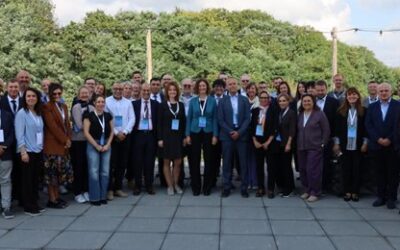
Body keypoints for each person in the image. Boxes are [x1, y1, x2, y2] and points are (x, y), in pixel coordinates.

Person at [365, 83, 400, 209]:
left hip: (393, 145)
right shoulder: (372, 107)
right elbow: (368, 124)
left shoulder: (398, 105)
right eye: (381, 91)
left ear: (391, 92)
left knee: (393, 173)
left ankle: (391, 198)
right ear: (378, 92)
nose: (384, 93)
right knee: (379, 173)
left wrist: (389, 139)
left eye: (386, 90)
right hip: (377, 145)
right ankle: (381, 197)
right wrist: (378, 139)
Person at [218, 77, 251, 198]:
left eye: (234, 84)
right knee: (227, 163)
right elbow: (220, 119)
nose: (232, 86)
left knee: (243, 162)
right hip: (227, 136)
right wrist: (231, 131)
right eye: (229, 84)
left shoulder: (244, 100)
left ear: (237, 85)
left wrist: (240, 132)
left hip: (241, 136)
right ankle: (226, 186)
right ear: (226, 86)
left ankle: (244, 187)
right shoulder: (222, 101)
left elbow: (248, 118)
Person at [333, 87, 367, 202]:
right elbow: (336, 129)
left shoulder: (364, 111)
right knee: (346, 169)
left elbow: (366, 129)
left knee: (357, 169)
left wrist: (365, 143)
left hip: (358, 145)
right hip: (344, 144)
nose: (352, 97)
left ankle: (355, 192)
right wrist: (337, 144)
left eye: (354, 95)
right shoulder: (340, 111)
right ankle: (347, 191)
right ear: (346, 97)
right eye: (349, 95)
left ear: (358, 96)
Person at [15, 88, 45, 216]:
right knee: (27, 180)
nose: (31, 98)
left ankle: (34, 202)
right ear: (25, 98)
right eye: (28, 96)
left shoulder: (38, 112)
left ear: (37, 98)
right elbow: (19, 134)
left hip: (38, 150)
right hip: (27, 151)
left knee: (34, 179)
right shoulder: (22, 113)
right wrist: (23, 152)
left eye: (33, 96)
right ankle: (28, 206)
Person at [42, 83, 73, 209]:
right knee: (51, 175)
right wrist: (65, 139)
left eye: (59, 93)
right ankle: (52, 199)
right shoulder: (46, 107)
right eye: (54, 93)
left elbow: (67, 125)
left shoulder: (64, 106)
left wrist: (69, 138)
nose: (57, 95)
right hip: (52, 145)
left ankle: (57, 197)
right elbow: (52, 127)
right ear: (50, 94)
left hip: (63, 146)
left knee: (59, 174)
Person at [186, 79, 218, 196]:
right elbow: (189, 118)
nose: (202, 87)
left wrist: (215, 134)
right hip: (195, 131)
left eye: (204, 85)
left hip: (208, 132)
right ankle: (196, 186)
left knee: (209, 160)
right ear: (197, 88)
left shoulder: (213, 101)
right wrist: (187, 134)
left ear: (207, 87)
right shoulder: (193, 101)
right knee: (195, 160)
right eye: (200, 86)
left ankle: (207, 187)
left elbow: (215, 118)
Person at [297, 94, 330, 202]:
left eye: (308, 101)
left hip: (315, 147)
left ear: (313, 102)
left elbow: (326, 130)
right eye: (304, 101)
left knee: (313, 170)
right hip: (302, 146)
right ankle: (307, 190)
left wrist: (322, 144)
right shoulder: (301, 114)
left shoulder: (319, 114)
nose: (306, 103)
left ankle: (315, 192)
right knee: (303, 169)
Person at [106, 82, 135, 200]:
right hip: (112, 137)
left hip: (125, 136)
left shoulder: (128, 102)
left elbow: (132, 118)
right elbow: (107, 119)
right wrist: (117, 132)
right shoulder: (107, 101)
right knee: (111, 164)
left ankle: (118, 188)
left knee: (122, 164)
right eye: (116, 88)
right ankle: (110, 189)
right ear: (112, 89)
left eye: (120, 89)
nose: (118, 90)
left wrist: (125, 132)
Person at [83, 95, 114, 206]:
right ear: (94, 103)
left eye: (102, 102)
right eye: (98, 102)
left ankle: (103, 196)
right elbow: (86, 133)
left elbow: (111, 132)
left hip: (106, 144)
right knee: (94, 172)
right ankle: (95, 197)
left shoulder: (108, 116)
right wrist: (96, 145)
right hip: (93, 144)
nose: (101, 104)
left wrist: (108, 144)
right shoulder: (88, 116)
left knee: (105, 172)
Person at [157, 81, 186, 195]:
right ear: (167, 92)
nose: (172, 92)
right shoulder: (162, 105)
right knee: (166, 161)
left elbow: (183, 122)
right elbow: (159, 123)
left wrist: (184, 137)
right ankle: (169, 186)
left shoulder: (181, 105)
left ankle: (175, 184)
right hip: (166, 137)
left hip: (178, 137)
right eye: (170, 90)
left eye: (174, 90)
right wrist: (160, 138)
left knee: (178, 162)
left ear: (177, 92)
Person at [132, 84, 159, 195]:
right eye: (144, 90)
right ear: (140, 91)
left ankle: (149, 185)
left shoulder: (156, 104)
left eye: (148, 90)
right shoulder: (134, 104)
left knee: (150, 161)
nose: (146, 92)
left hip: (151, 135)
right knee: (138, 161)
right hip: (138, 135)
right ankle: (137, 185)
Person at [250, 91, 278, 198]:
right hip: (257, 142)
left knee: (271, 167)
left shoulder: (274, 110)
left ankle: (270, 189)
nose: (264, 99)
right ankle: (260, 188)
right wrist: (254, 141)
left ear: (269, 99)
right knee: (259, 166)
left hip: (269, 143)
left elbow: (276, 127)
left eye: (266, 98)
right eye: (262, 97)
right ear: (259, 99)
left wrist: (268, 141)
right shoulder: (255, 110)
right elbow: (252, 127)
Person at [314, 80, 339, 192]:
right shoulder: (311, 101)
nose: (320, 92)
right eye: (318, 90)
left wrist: (335, 141)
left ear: (326, 89)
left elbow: (337, 122)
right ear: (315, 90)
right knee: (314, 162)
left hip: (328, 138)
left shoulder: (334, 102)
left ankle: (325, 186)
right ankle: (315, 184)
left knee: (326, 162)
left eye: (322, 90)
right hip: (313, 138)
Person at [71, 86, 94, 203]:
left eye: (87, 93)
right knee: (78, 167)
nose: (85, 95)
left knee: (87, 166)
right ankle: (77, 192)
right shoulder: (76, 107)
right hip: (78, 141)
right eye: (82, 93)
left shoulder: (91, 107)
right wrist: (91, 129)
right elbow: (80, 125)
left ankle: (86, 190)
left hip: (88, 141)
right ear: (78, 95)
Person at [275, 93, 296, 197]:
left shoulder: (291, 113)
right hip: (280, 143)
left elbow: (292, 130)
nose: (282, 103)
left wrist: (289, 144)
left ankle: (289, 189)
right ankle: (284, 187)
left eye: (284, 101)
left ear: (288, 102)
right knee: (281, 166)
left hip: (287, 144)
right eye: (280, 101)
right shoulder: (280, 113)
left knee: (287, 167)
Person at [0, 105, 15, 219]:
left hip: (5, 153)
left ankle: (6, 207)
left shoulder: (7, 115)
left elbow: (12, 133)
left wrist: (4, 146)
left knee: (6, 180)